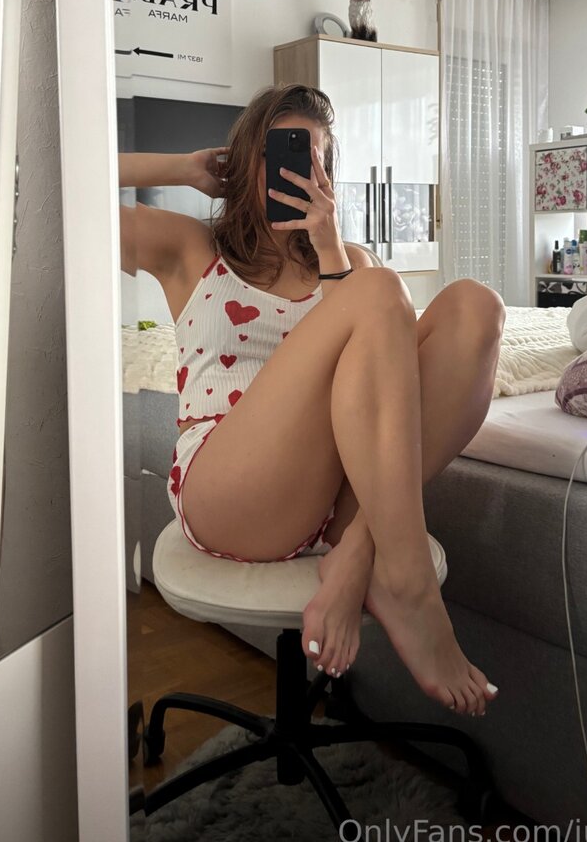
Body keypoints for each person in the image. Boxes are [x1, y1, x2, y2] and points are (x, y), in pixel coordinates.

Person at [118, 84, 504, 717]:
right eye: (282, 155)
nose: (301, 173)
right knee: (379, 293)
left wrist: (329, 248)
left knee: (474, 306)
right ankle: (408, 583)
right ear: (245, 160)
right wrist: (182, 169)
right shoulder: (190, 248)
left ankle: (360, 553)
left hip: (338, 493)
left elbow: (378, 399)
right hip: (230, 489)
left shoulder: (351, 263)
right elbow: (67, 191)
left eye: (315, 159)